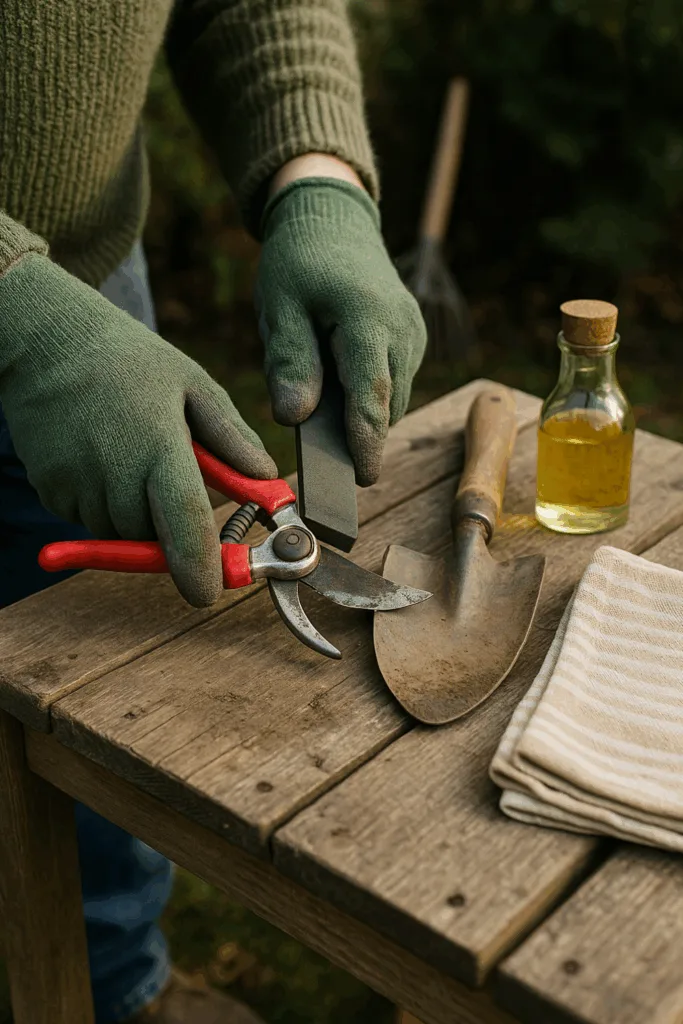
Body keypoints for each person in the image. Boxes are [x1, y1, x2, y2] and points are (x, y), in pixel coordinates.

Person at [0, 2, 427, 1022]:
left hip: (91, 284)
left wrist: (317, 184)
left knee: (89, 702)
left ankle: (115, 986)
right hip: (41, 308)